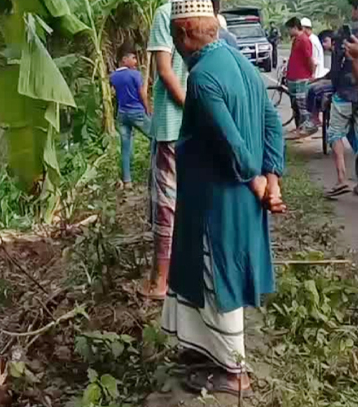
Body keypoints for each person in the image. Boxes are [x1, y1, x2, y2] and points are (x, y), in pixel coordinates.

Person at [164, 0, 285, 396]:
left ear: (183, 34)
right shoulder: (241, 64)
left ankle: (235, 374)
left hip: (217, 201)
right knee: (218, 275)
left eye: (174, 35)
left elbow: (232, 143)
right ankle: (207, 353)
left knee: (218, 279)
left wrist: (254, 178)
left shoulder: (201, 77)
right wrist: (273, 179)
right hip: (238, 198)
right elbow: (271, 122)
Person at [140, 0, 188, 300]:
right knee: (190, 197)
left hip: (173, 123)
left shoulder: (166, 12)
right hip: (195, 127)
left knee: (166, 203)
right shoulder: (205, 10)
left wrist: (191, 108)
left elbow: (165, 72)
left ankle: (160, 282)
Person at [324, 0, 358, 198]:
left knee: (335, 134)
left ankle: (341, 179)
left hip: (345, 95)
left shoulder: (345, 35)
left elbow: (336, 69)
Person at [110, 44, 152, 189]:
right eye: (133, 58)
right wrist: (148, 110)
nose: (135, 61)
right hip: (137, 112)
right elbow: (142, 94)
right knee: (155, 137)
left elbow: (116, 94)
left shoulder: (113, 76)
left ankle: (127, 180)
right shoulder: (135, 74)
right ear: (124, 59)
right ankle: (155, 169)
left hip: (122, 114)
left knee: (125, 147)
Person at [300, 30, 336, 135]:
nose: (324, 45)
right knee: (311, 86)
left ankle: (314, 118)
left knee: (315, 90)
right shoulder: (333, 53)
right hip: (334, 79)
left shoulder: (338, 52)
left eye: (326, 41)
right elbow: (331, 72)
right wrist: (319, 79)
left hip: (341, 84)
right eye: (322, 42)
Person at [285, 17, 315, 131]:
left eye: (289, 29)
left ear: (294, 28)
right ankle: (300, 128)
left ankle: (306, 129)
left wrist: (311, 74)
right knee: (296, 105)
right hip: (293, 77)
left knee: (302, 105)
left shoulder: (304, 40)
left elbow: (309, 59)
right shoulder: (296, 40)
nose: (288, 32)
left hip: (301, 77)